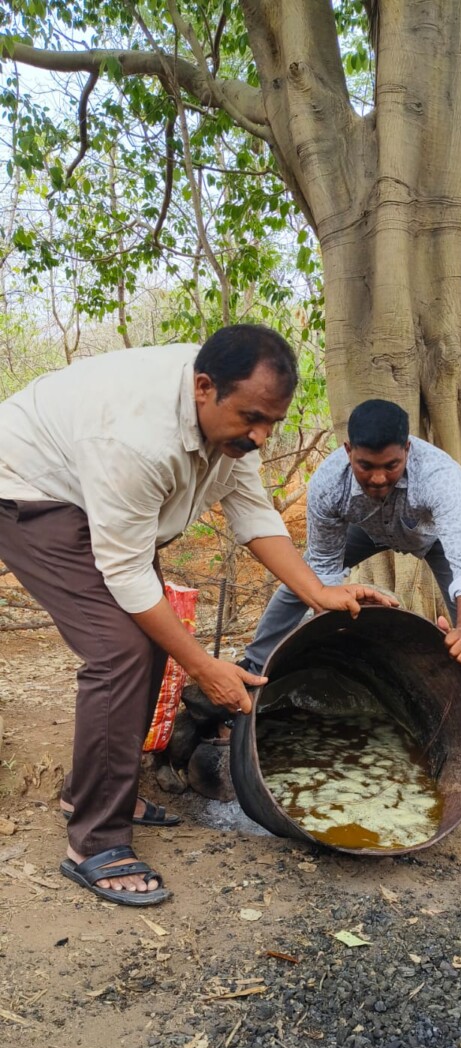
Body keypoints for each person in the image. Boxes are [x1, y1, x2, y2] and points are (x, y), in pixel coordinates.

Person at [0, 326, 395, 906]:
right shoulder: (135, 439)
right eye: (252, 419)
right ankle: (95, 841)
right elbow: (128, 576)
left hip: (94, 496)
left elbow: (254, 514)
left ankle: (92, 790)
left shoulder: (228, 423)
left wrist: (321, 593)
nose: (261, 436)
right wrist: (205, 667)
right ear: (204, 388)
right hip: (29, 489)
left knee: (150, 640)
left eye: (273, 424)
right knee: (119, 651)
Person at [243, 398, 461, 789]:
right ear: (349, 451)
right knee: (298, 583)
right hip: (363, 530)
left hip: (429, 536)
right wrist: (334, 624)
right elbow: (324, 568)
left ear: (407, 451)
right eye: (366, 466)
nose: (379, 478)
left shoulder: (440, 478)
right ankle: (250, 675)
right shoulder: (328, 485)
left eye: (391, 466)